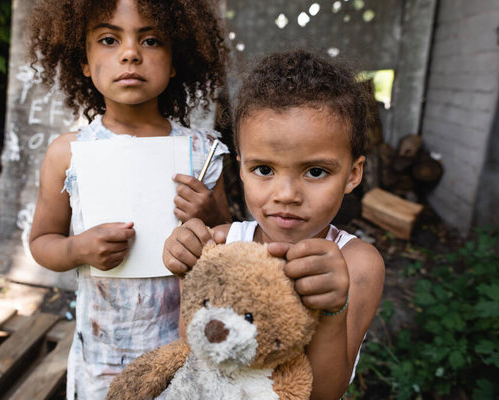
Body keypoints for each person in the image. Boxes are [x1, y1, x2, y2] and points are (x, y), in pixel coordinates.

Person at [27, 0, 231, 398]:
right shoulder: (68, 153)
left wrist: (208, 214)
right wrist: (77, 249)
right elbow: (41, 243)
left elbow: (230, 243)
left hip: (188, 352)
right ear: (83, 61)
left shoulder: (202, 152)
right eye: (108, 39)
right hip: (103, 355)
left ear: (175, 61)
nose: (130, 53)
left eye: (151, 40)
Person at [163, 49, 385, 399]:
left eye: (316, 171)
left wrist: (332, 311)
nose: (286, 194)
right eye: (264, 169)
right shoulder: (222, 245)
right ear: (241, 167)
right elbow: (195, 354)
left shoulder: (357, 265)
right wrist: (188, 277)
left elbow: (325, 392)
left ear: (352, 174)